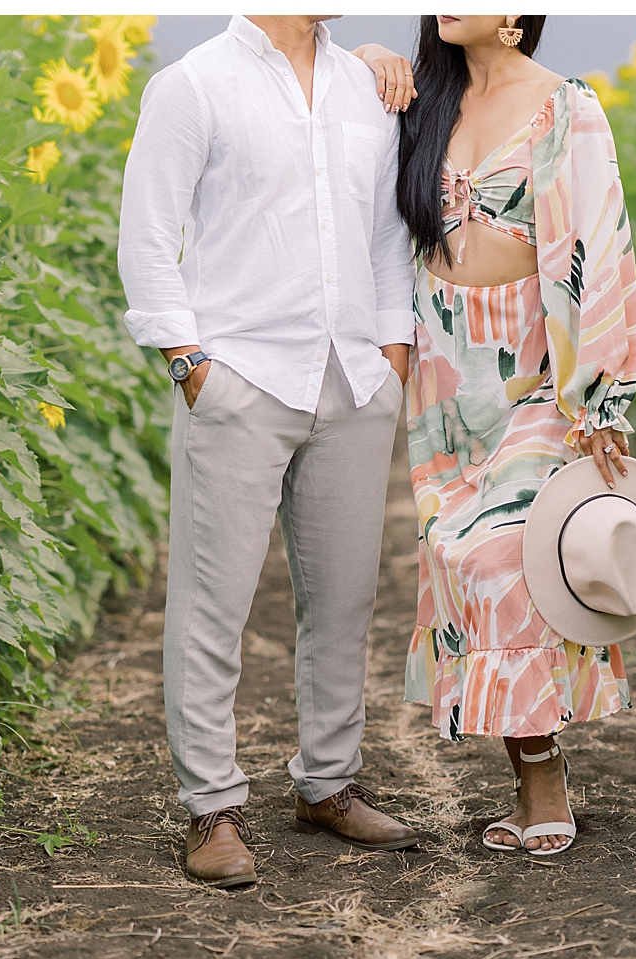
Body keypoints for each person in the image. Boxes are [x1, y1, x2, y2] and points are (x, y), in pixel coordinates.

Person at [117, 14, 419, 889]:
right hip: (241, 376)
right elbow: (148, 235)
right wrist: (189, 361)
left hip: (353, 379)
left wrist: (390, 356)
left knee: (346, 596)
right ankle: (213, 806)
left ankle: (326, 783)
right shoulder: (193, 84)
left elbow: (385, 237)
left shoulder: (370, 88)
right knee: (216, 604)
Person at [365, 15, 636, 857]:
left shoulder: (567, 108)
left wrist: (600, 398)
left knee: (508, 554)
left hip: (531, 361)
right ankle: (525, 770)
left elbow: (602, 241)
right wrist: (370, 61)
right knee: (456, 553)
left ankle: (543, 778)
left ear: (520, 16)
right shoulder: (422, 102)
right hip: (444, 364)